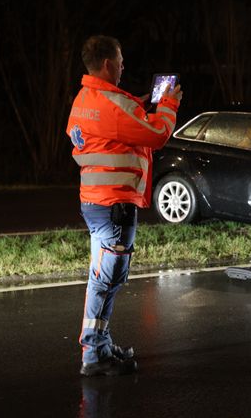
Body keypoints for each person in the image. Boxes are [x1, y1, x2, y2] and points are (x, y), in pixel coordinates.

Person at [66, 35, 182, 376]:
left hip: (95, 202)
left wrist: (135, 108)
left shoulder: (84, 98)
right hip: (115, 204)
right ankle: (94, 352)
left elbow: (98, 128)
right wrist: (168, 106)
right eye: (119, 61)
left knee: (101, 277)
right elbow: (158, 133)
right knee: (107, 279)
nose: (122, 66)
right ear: (107, 65)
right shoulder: (112, 105)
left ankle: (98, 344)